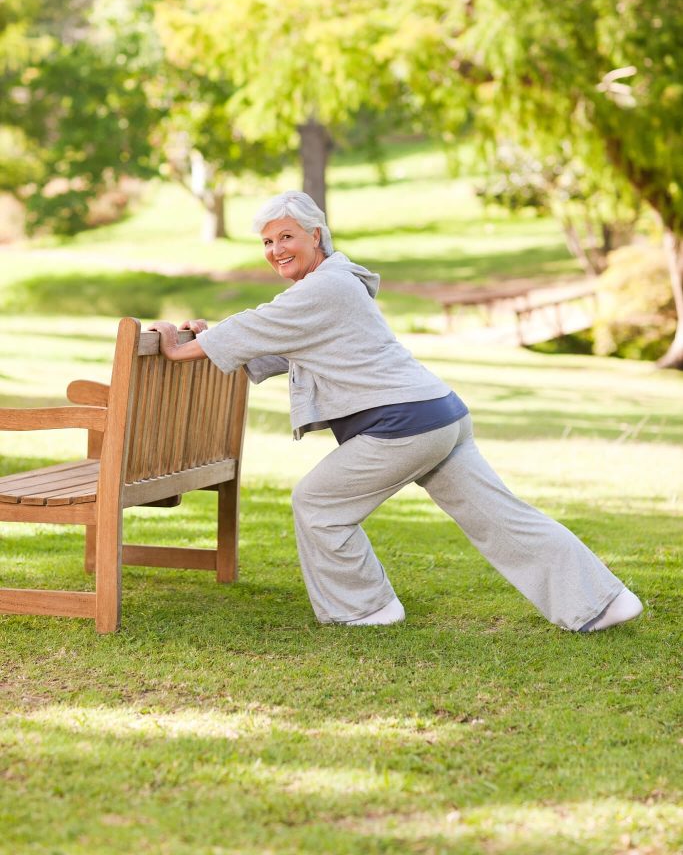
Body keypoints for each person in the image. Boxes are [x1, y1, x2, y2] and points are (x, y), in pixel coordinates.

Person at [148, 190, 643, 631]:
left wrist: (179, 348)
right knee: (502, 517)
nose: (276, 250)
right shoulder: (326, 287)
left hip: (404, 426)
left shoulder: (325, 287)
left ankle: (365, 609)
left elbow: (255, 327)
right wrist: (209, 336)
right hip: (440, 417)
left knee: (318, 504)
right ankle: (603, 602)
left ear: (316, 235)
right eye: (267, 242)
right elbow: (269, 343)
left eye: (286, 236)